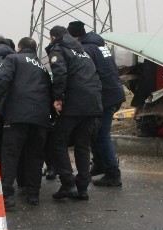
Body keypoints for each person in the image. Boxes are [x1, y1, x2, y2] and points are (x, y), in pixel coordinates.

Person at [0, 36, 52, 208]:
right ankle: (33, 195)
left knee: (10, 155)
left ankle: (7, 196)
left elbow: (3, 81)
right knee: (35, 156)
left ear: (19, 48)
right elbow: (50, 90)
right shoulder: (42, 67)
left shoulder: (13, 59)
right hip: (40, 118)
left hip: (17, 116)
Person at [46, 24, 102, 200]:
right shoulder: (82, 51)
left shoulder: (59, 49)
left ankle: (67, 183)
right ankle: (82, 187)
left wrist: (58, 98)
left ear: (54, 37)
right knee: (82, 145)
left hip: (74, 103)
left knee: (58, 141)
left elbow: (60, 73)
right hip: (92, 103)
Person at [67, 20, 125, 187]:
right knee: (94, 132)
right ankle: (100, 165)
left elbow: (85, 76)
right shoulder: (99, 45)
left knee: (101, 135)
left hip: (105, 97)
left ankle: (113, 174)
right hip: (113, 93)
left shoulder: (86, 49)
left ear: (74, 36)